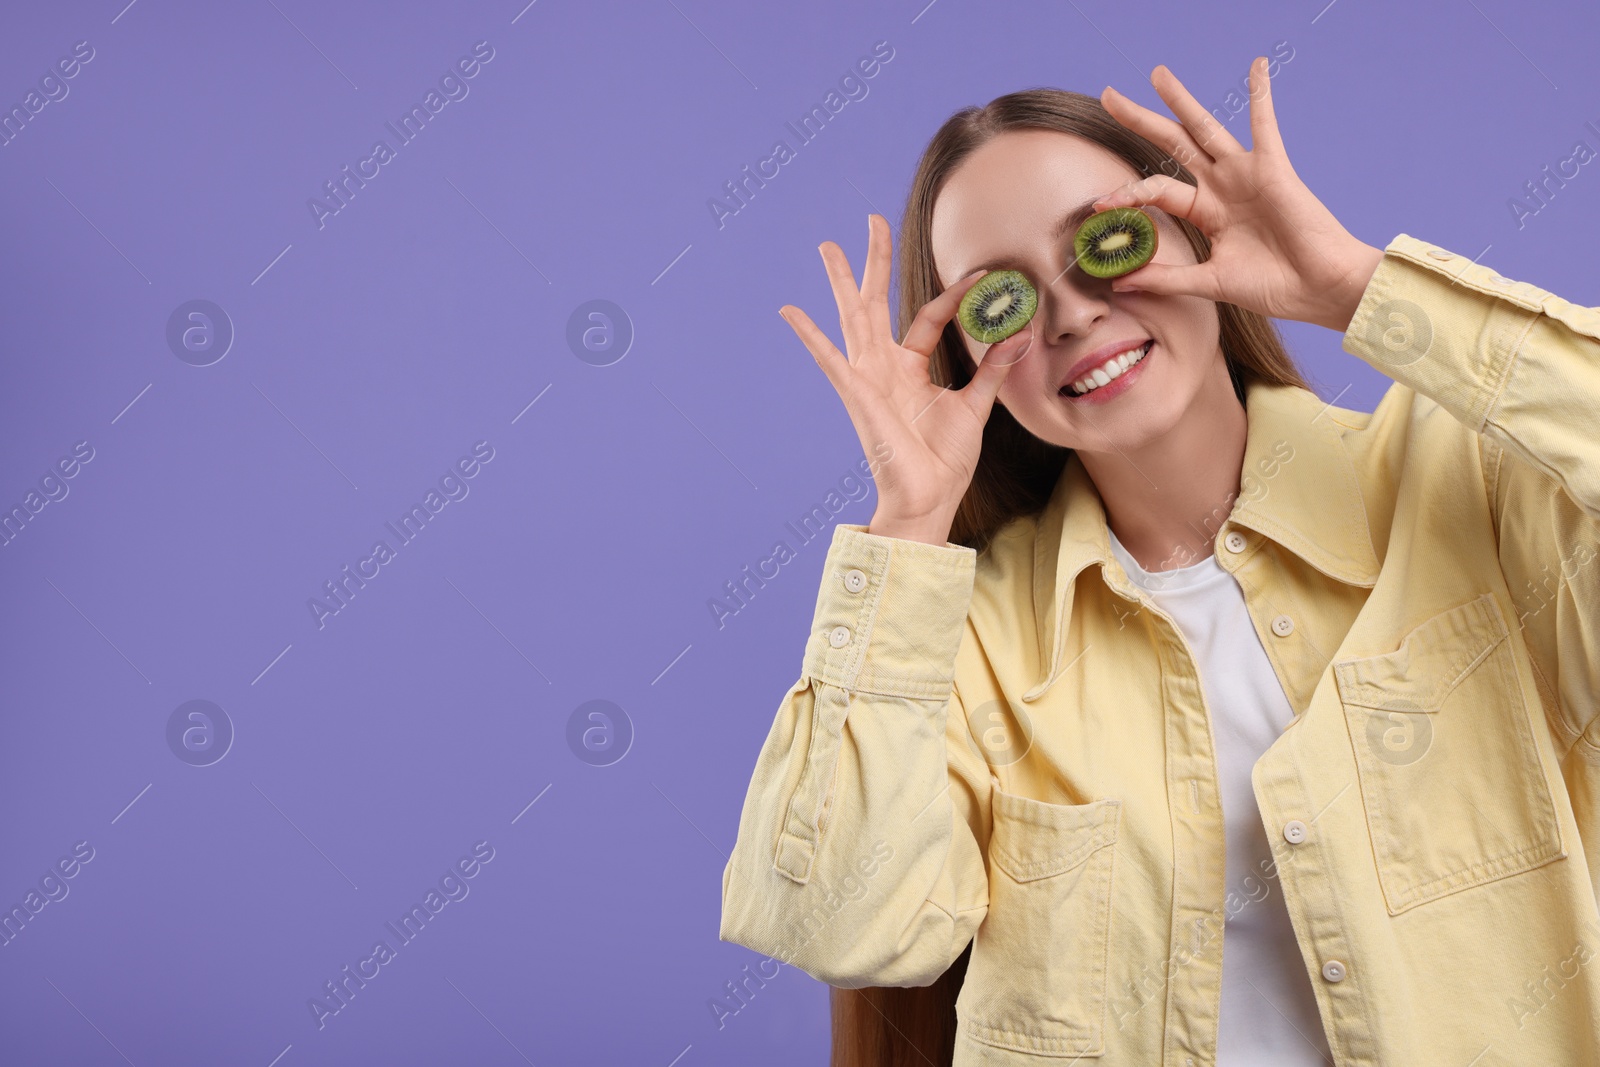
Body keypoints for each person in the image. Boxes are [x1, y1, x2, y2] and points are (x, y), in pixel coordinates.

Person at [719, 57, 1600, 1067]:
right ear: (970, 356)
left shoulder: (1465, 489)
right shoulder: (964, 642)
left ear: (1198, 236)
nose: (1070, 314)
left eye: (1104, 243)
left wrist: (1359, 286)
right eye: (999, 300)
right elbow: (838, 925)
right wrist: (910, 522)